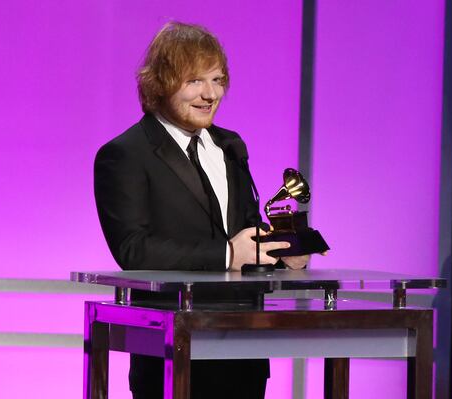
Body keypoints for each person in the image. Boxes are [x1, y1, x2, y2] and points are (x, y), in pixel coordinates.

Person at [94, 22, 309, 399]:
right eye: (195, 80)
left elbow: (245, 230)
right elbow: (133, 249)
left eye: (218, 79)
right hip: (172, 350)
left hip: (244, 347)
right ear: (160, 82)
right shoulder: (125, 154)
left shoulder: (230, 145)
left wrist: (284, 253)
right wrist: (227, 254)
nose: (211, 94)